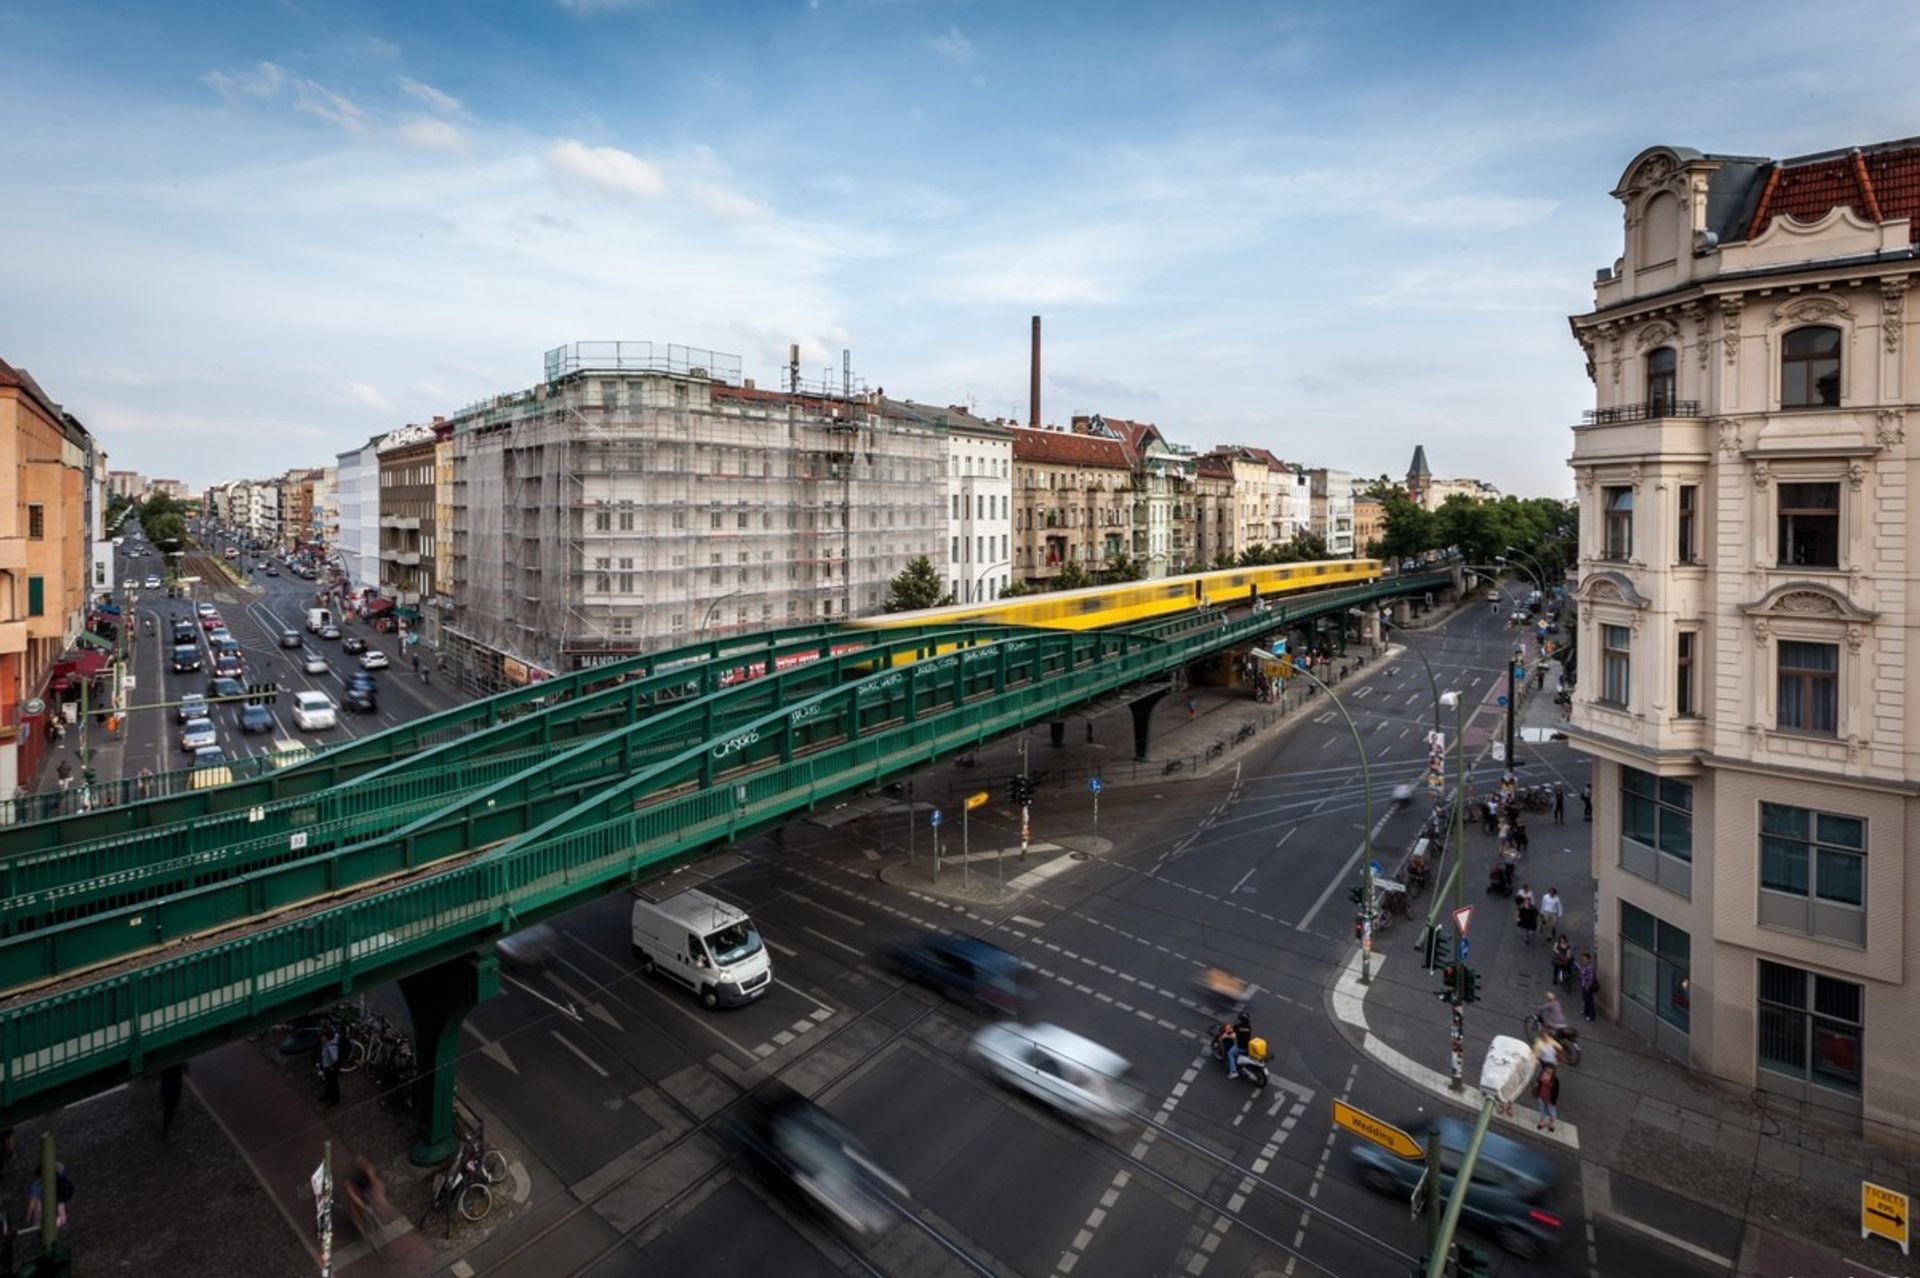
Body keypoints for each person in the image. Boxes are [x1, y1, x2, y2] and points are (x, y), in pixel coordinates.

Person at [343, 1154, 391, 1248]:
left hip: (365, 1188)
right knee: (356, 1208)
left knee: (373, 1200)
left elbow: (376, 1184)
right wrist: (360, 1204)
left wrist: (380, 1199)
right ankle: (359, 1224)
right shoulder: (350, 1179)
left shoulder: (369, 1171)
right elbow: (352, 1194)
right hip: (355, 1190)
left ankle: (372, 1216)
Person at [318, 1026, 342, 1106]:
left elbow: (335, 1059)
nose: (321, 1038)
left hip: (330, 1069)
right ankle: (327, 1095)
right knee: (328, 1083)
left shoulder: (331, 1047)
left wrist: (331, 1067)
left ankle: (334, 1100)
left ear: (327, 1038)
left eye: (322, 1036)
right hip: (327, 1067)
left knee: (332, 1084)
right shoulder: (327, 1044)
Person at [160, 1062, 185, 1138]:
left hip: (167, 1090)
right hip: (173, 1090)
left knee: (168, 1110)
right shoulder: (178, 1066)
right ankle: (166, 1128)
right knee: (171, 1110)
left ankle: (166, 1128)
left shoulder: (167, 1067)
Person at [1225, 1012, 1252, 1079]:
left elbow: (1233, 1036)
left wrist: (1226, 1035)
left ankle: (1233, 1072)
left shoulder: (1238, 1027)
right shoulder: (1249, 1027)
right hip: (1248, 1046)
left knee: (1230, 1053)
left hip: (1241, 1047)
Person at [1535, 1063, 1560, 1132]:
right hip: (1541, 1096)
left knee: (1552, 1112)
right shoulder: (1542, 1075)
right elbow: (1538, 1082)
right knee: (1542, 1110)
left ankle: (1552, 1123)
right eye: (1546, 1070)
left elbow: (1556, 1091)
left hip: (1550, 1099)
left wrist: (1555, 1100)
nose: (1548, 1072)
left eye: (1550, 1071)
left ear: (1553, 1071)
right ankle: (1542, 1121)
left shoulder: (1555, 1080)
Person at [1577, 952, 1599, 1022]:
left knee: (1590, 1001)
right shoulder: (1585, 966)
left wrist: (1588, 986)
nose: (1584, 961)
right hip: (1583, 985)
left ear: (1589, 959)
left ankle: (1591, 1015)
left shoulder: (1590, 967)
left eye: (1585, 959)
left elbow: (1591, 978)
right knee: (1585, 999)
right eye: (1583, 959)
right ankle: (1586, 1011)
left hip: (1587, 987)